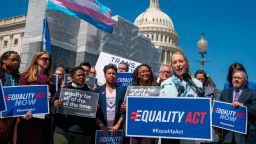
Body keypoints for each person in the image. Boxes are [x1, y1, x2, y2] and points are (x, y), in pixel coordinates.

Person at [160, 51, 202, 144]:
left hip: (189, 134)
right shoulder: (164, 84)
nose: (178, 64)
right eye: (174, 62)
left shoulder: (198, 84)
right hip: (169, 133)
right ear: (172, 67)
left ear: (186, 63)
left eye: (180, 61)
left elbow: (200, 110)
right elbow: (160, 109)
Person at [13, 51, 55, 144]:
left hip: (41, 121)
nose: (48, 61)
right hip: (26, 118)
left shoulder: (50, 80)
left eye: (49, 60)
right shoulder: (25, 76)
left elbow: (51, 102)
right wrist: (22, 114)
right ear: (36, 60)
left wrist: (49, 99)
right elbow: (19, 98)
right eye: (45, 59)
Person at [52, 66, 96, 144]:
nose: (82, 77)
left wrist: (95, 109)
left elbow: (94, 115)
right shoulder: (62, 90)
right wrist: (55, 105)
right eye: (79, 75)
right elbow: (52, 109)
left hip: (82, 134)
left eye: (83, 75)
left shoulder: (91, 93)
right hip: (63, 132)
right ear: (72, 77)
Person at [220, 70, 256, 144]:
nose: (236, 80)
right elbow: (219, 109)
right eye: (234, 78)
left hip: (245, 136)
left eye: (239, 78)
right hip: (228, 136)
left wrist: (242, 106)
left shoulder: (252, 94)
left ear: (245, 81)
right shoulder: (225, 92)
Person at [129, 64, 157, 144]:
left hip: (150, 127)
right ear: (137, 75)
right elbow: (125, 109)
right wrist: (124, 107)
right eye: (143, 72)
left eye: (147, 71)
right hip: (134, 127)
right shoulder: (132, 89)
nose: (146, 73)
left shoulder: (156, 88)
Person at [95, 64, 126, 135]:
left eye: (113, 73)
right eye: (109, 73)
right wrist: (102, 125)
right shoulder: (98, 90)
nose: (111, 75)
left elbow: (125, 111)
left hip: (117, 129)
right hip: (101, 129)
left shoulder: (122, 90)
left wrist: (118, 125)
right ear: (105, 75)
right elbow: (93, 111)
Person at [0, 51, 20, 144]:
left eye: (18, 60)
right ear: (4, 60)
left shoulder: (18, 77)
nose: (16, 62)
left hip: (11, 117)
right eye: (13, 60)